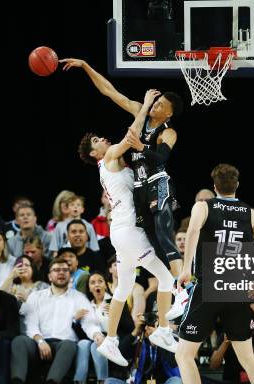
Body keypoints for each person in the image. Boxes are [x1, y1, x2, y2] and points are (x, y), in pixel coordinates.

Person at [77, 89, 178, 367]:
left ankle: (110, 340)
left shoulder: (113, 164)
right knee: (166, 278)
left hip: (122, 232)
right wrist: (145, 105)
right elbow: (131, 135)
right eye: (97, 140)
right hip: (128, 232)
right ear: (94, 152)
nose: (103, 140)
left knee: (122, 290)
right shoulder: (108, 156)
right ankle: (164, 331)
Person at [62, 58, 185, 282]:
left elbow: (160, 159)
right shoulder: (141, 112)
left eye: (160, 105)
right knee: (155, 246)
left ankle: (186, 286)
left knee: (165, 236)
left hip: (157, 183)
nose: (155, 105)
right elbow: (110, 92)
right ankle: (175, 292)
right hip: (139, 191)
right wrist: (86, 66)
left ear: (168, 114)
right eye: (155, 102)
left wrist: (141, 147)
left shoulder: (168, 133)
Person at [175, 164, 254, 384]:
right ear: (237, 185)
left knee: (184, 354)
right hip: (236, 289)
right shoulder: (249, 212)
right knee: (248, 358)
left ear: (214, 186)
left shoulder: (203, 206)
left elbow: (192, 232)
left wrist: (186, 268)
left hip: (208, 286)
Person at [9, 257, 103, 384]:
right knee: (19, 341)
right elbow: (30, 324)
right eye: (57, 270)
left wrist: (97, 334)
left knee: (69, 345)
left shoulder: (78, 297)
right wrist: (40, 341)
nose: (61, 273)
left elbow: (89, 322)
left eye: (65, 270)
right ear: (49, 276)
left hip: (63, 346)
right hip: (37, 344)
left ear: (69, 275)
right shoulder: (36, 296)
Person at [104, 312, 187, 384]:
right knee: (109, 383)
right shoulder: (138, 341)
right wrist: (134, 332)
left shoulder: (168, 340)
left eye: (152, 325)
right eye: (146, 325)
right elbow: (120, 354)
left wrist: (159, 339)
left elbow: (173, 362)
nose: (148, 328)